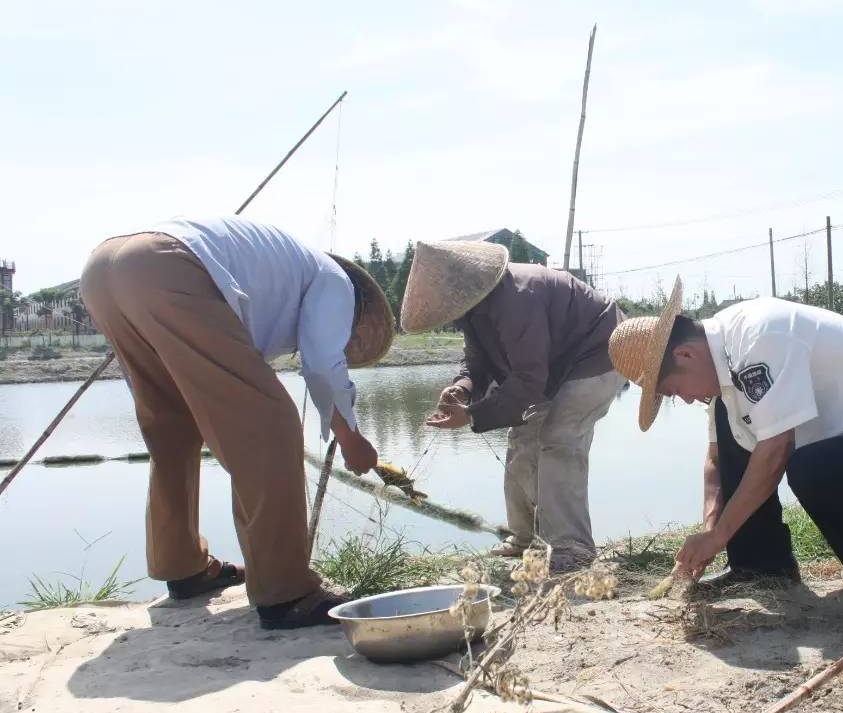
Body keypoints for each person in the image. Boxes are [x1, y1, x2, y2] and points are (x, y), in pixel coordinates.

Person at [80, 217, 393, 629]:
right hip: (167, 267)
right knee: (271, 427)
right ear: (361, 309)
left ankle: (183, 566)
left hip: (102, 271)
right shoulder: (334, 282)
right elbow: (322, 366)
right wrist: (351, 438)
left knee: (173, 427)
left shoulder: (282, 278)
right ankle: (287, 593)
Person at [607, 277, 843, 597]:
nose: (686, 399)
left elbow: (777, 448)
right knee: (731, 424)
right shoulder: (724, 360)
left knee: (810, 467)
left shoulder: (759, 337)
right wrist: (710, 531)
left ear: (686, 355)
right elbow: (715, 461)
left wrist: (720, 535)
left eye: (674, 390)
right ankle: (762, 567)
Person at [400, 240, 624, 570]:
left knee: (560, 437)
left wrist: (473, 416)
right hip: (554, 365)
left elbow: (529, 382)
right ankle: (526, 538)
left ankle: (572, 547)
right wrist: (462, 389)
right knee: (521, 441)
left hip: (600, 351)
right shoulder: (474, 309)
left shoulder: (519, 297)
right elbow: (477, 359)